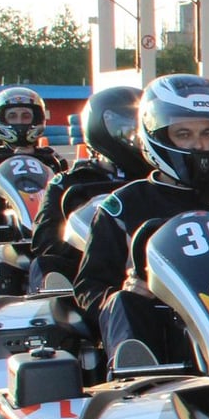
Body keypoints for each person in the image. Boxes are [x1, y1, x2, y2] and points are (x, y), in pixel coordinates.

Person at [74, 74, 209, 366]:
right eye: (184, 134)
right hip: (162, 329)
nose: (198, 145)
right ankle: (139, 381)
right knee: (123, 303)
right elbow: (88, 289)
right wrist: (125, 290)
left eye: (207, 133)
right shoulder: (124, 206)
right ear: (156, 135)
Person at [30, 85, 145, 287]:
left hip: (153, 268)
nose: (135, 135)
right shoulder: (68, 183)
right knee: (45, 264)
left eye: (140, 126)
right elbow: (46, 243)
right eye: (128, 126)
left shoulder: (160, 180)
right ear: (97, 125)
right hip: (92, 274)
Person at [0, 86, 66, 229]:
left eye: (25, 116)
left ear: (37, 119)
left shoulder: (51, 157)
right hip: (4, 222)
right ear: (0, 119)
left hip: (48, 220)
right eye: (12, 116)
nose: (19, 122)